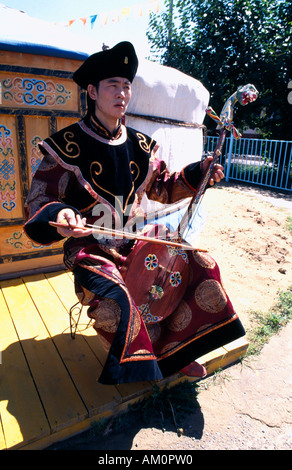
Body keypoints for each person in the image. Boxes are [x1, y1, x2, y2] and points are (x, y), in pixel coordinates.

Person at [24, 42, 245, 385]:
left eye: (127, 85)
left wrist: (200, 171)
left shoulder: (141, 145)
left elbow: (163, 186)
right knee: (118, 298)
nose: (123, 93)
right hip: (91, 246)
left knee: (200, 263)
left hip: (135, 237)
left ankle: (177, 352)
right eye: (114, 84)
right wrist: (64, 216)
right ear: (93, 92)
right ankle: (144, 360)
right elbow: (40, 199)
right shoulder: (66, 145)